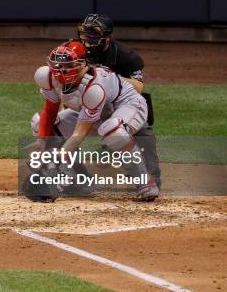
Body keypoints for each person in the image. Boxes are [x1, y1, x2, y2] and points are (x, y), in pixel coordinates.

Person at [32, 40, 160, 201]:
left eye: (67, 65)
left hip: (129, 106)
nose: (61, 70)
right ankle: (79, 181)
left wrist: (59, 157)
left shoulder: (94, 87)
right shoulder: (47, 77)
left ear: (82, 65)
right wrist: (42, 150)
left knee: (112, 130)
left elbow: (80, 132)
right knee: (39, 124)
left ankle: (145, 182)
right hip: (96, 113)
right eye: (58, 65)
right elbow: (49, 112)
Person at [76, 14, 161, 187]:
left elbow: (138, 86)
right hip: (90, 104)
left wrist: (104, 77)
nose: (87, 42)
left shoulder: (124, 55)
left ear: (107, 39)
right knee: (57, 125)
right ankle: (77, 180)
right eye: (85, 36)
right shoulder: (77, 52)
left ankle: (150, 177)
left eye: (93, 37)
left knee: (143, 131)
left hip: (122, 104)